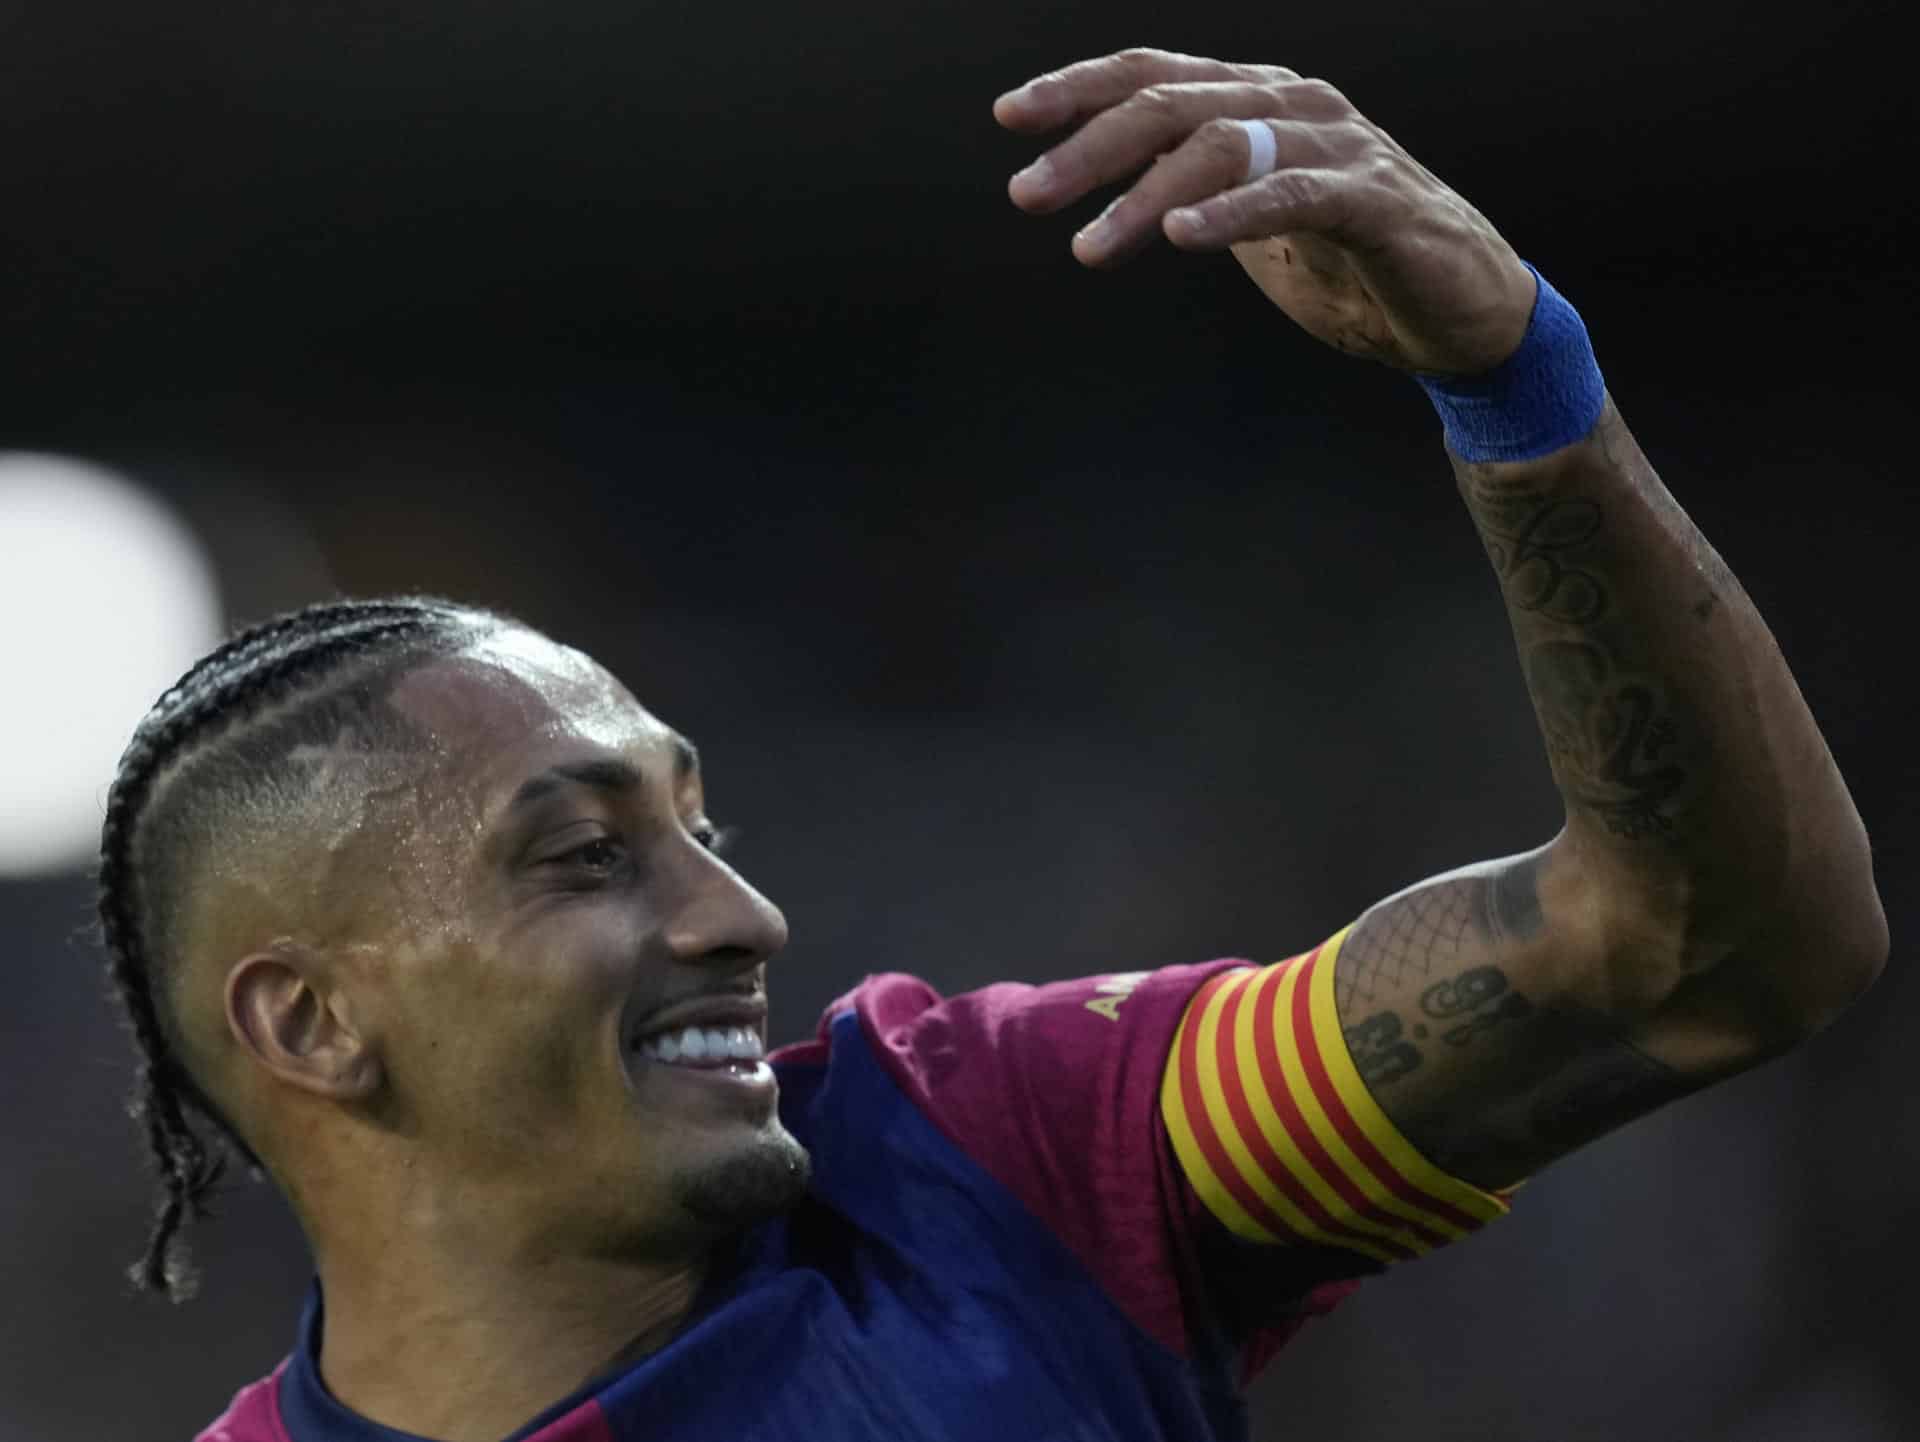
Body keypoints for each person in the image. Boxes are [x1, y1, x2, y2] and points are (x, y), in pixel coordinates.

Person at [99, 47, 1885, 1442]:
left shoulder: (979, 1159)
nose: (740, 916)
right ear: (310, 1020)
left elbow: (1700, 954)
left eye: (701, 827)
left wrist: (1523, 389)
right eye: (585, 853)